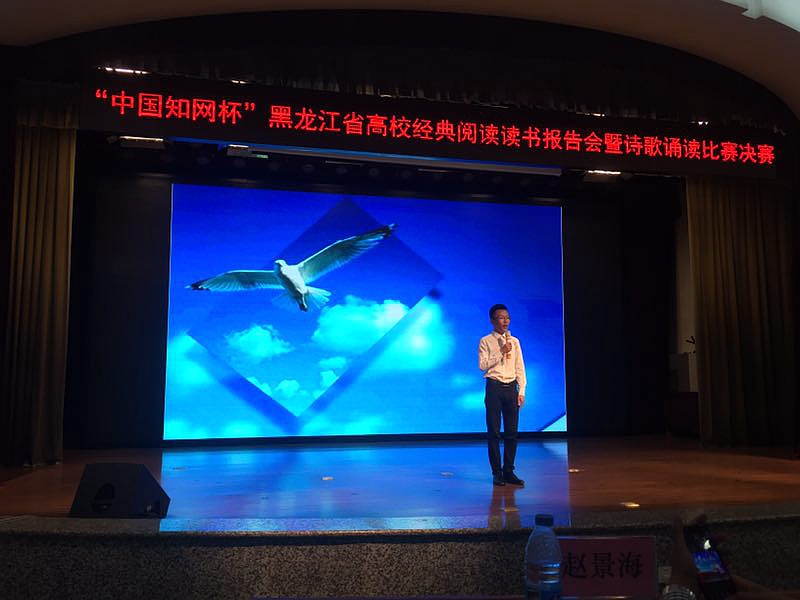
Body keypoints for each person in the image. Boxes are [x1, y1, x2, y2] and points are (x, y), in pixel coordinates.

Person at [478, 304, 526, 487]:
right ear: (492, 320)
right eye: (501, 317)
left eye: (507, 317)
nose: (505, 321)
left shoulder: (515, 342)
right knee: (494, 433)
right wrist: (501, 352)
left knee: (512, 433)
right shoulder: (485, 341)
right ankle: (497, 473)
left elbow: (520, 367)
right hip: (494, 388)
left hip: (511, 388)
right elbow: (482, 365)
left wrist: (521, 391)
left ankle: (509, 471)